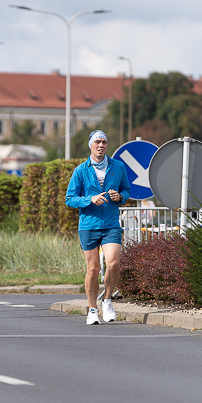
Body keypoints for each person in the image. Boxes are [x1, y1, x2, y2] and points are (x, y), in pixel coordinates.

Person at [65, 130, 131, 326]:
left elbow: (126, 190)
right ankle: (92, 309)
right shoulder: (81, 170)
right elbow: (70, 199)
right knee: (93, 269)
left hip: (111, 224)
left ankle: (108, 300)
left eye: (104, 142)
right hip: (89, 225)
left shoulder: (118, 167)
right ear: (90, 145)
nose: (101, 145)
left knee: (113, 263)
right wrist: (90, 199)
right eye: (97, 142)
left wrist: (121, 197)